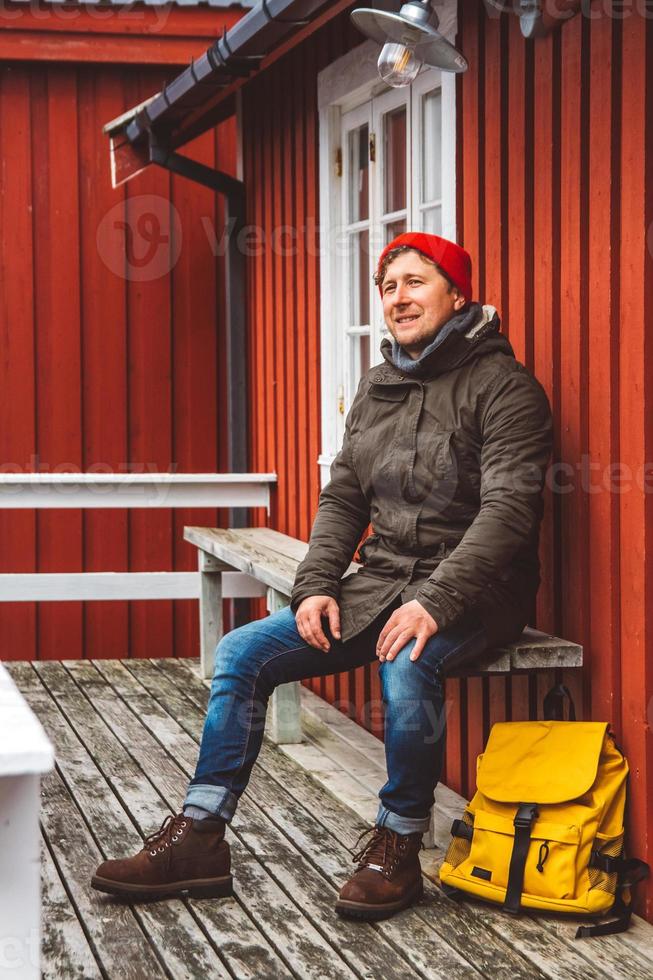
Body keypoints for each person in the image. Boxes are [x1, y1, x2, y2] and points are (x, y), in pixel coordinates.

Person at [91, 232, 554, 921]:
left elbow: (508, 510)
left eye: (416, 281)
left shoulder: (504, 388)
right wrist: (314, 585)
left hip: (476, 592)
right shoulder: (379, 385)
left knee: (405, 661)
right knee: (244, 653)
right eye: (387, 286)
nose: (398, 297)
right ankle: (201, 834)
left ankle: (397, 844)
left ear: (457, 296)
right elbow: (343, 498)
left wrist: (433, 601)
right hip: (380, 581)